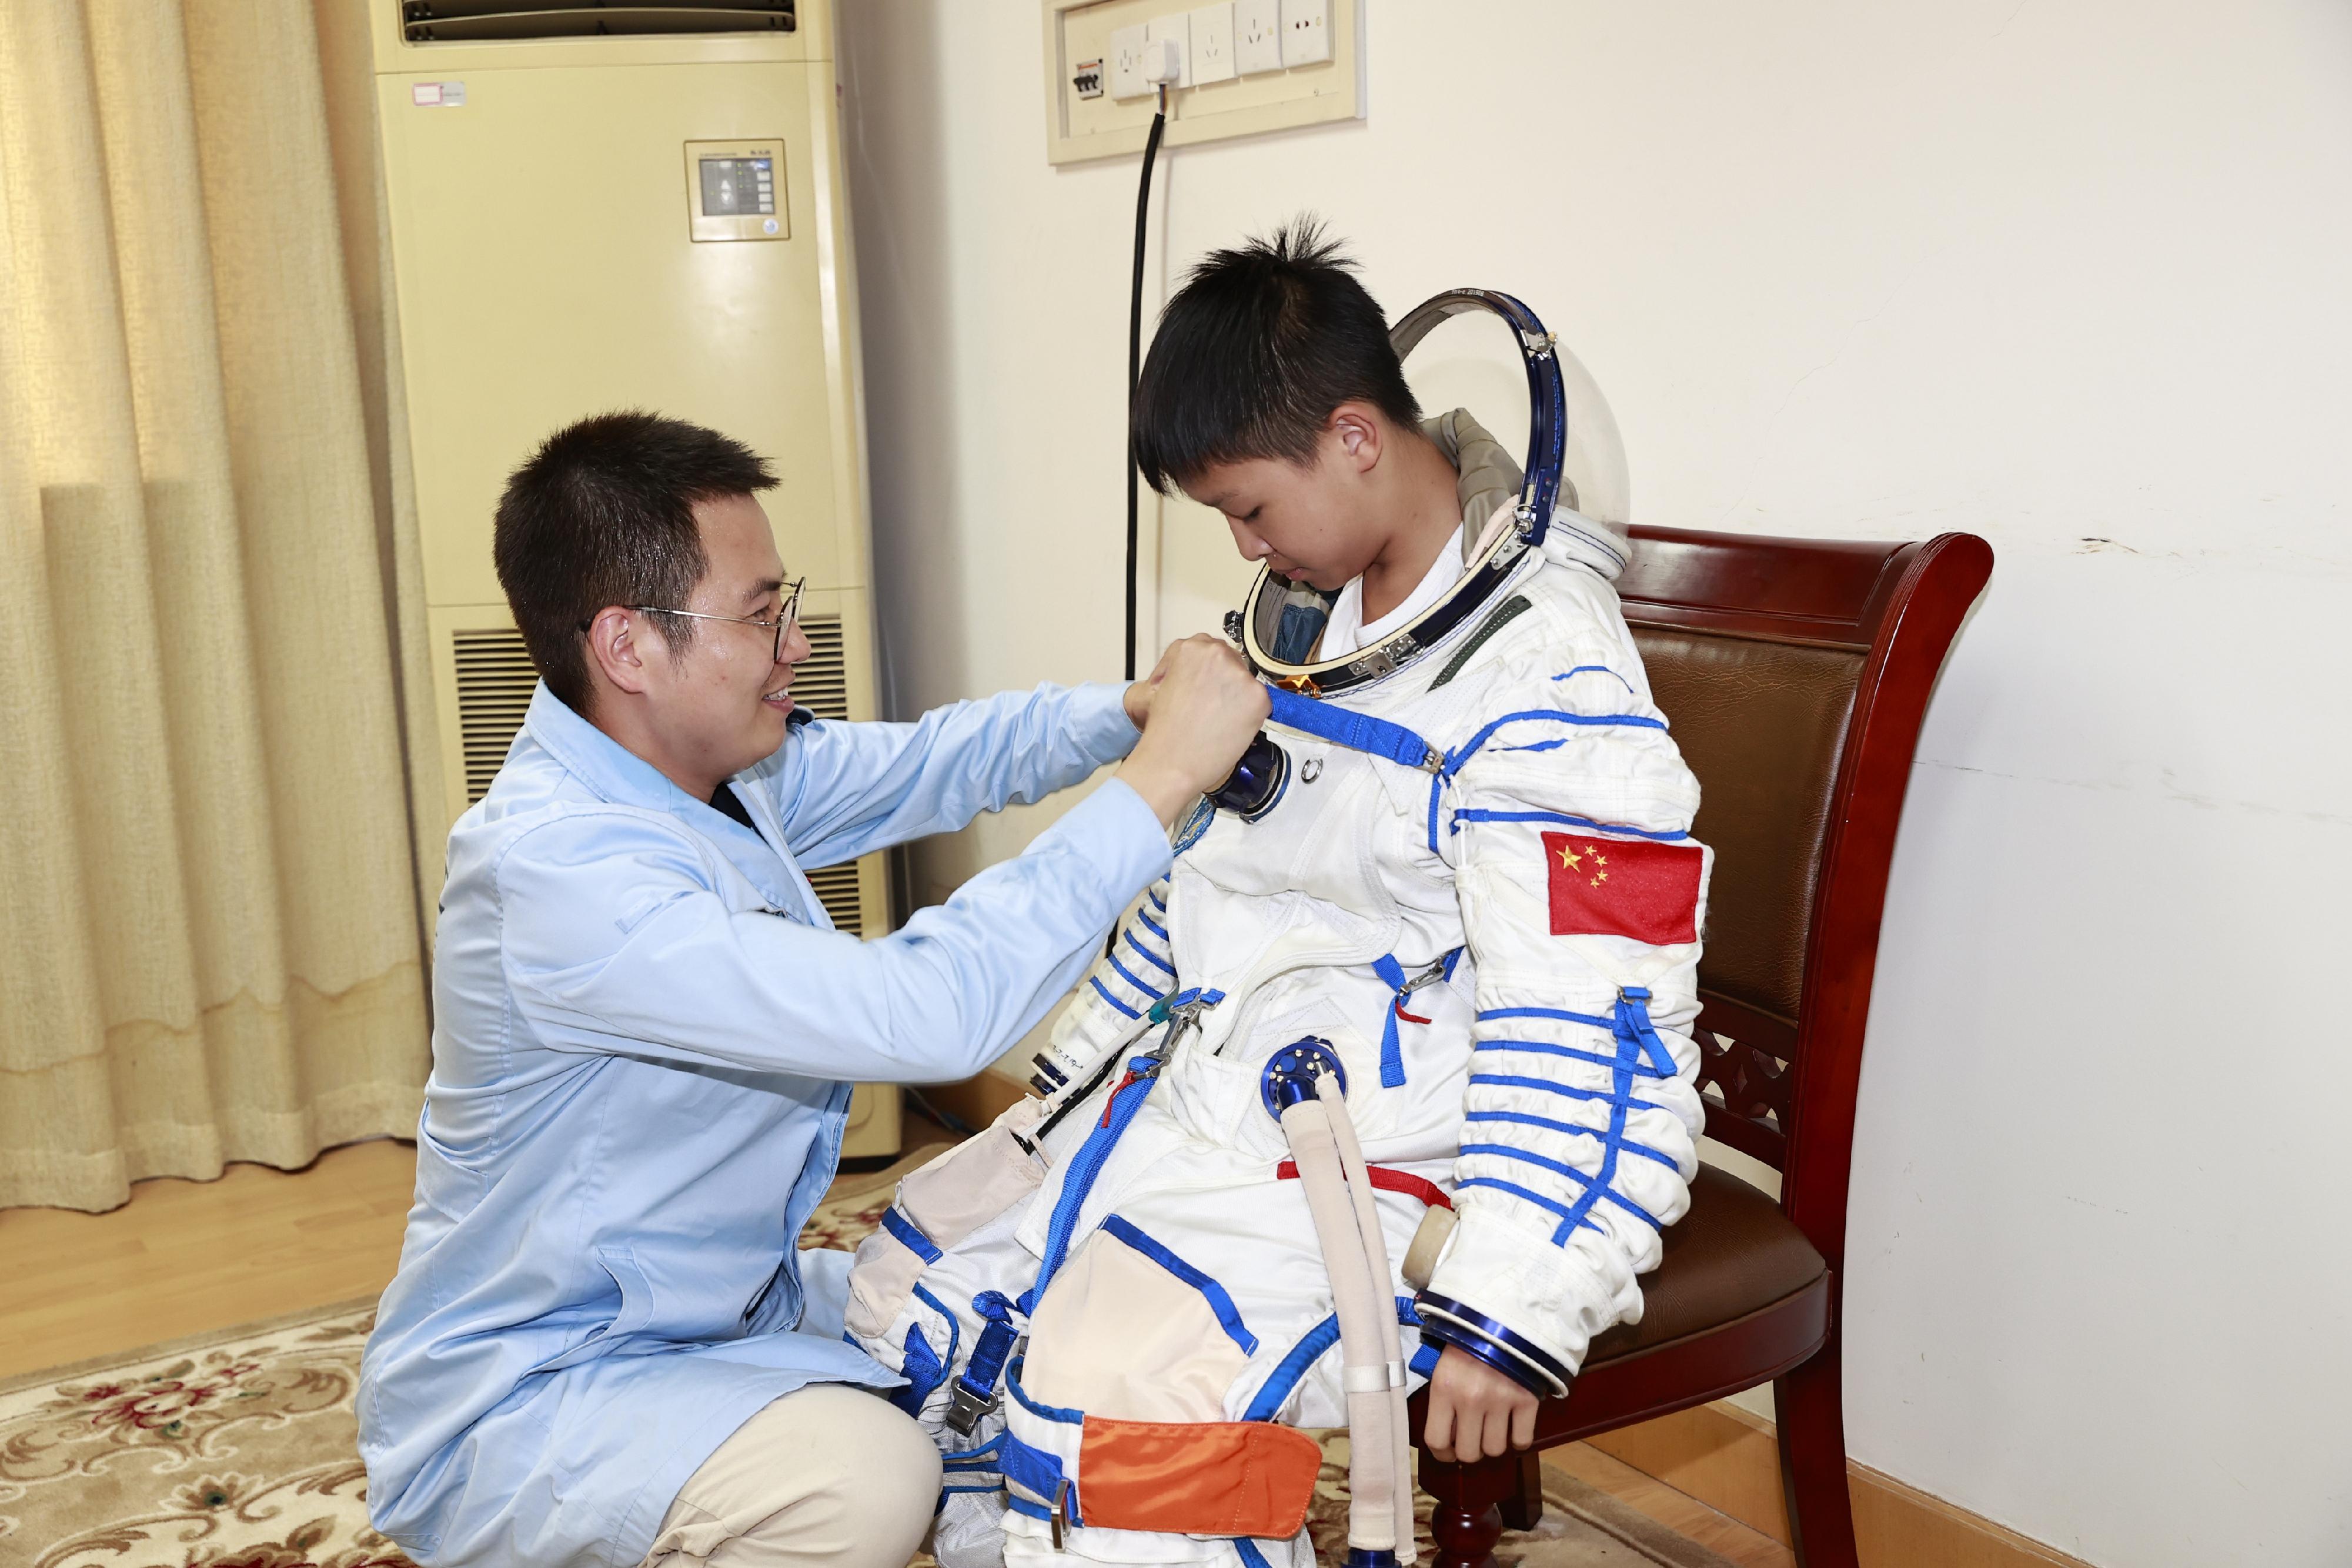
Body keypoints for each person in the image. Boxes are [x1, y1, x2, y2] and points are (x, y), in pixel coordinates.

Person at [844, 225, 1713, 1568]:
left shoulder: (1548, 690)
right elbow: (1204, 897)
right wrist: (1060, 1090)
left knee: (1124, 1444)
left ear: (1356, 438)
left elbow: (1597, 1024)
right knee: (924, 1305)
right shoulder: (1308, 619)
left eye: (1249, 508)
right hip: (1202, 1088)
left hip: (1375, 1153)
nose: (1244, 545)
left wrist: (1508, 1301)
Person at [356, 411, 1269, 1568]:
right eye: (758, 612)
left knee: (1019, 1308)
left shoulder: (717, 767)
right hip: (547, 1381)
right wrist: (1163, 776)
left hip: (723, 1308)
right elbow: (930, 1010)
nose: (792, 643)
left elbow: (944, 759)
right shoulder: (557, 873)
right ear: (628, 647)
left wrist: (1127, 712)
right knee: (866, 1478)